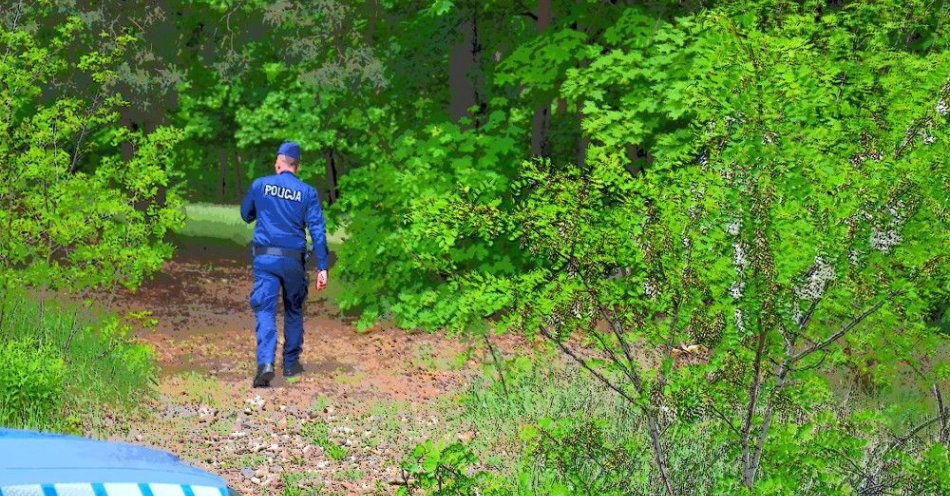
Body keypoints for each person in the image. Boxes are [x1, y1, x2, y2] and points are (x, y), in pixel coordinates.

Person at [240, 142, 329, 387]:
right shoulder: (307, 192)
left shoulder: (260, 185)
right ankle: (290, 364)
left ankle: (266, 364)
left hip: (266, 258)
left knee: (265, 310)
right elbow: (318, 231)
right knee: (293, 309)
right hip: (293, 261)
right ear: (296, 167)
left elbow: (246, 214)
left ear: (278, 162)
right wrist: (322, 266)